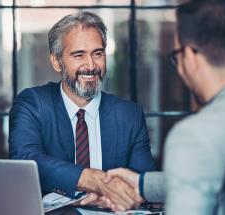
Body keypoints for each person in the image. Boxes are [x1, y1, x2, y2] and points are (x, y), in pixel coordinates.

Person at [105, 0, 225, 214]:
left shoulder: (195, 137)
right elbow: (218, 177)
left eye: (177, 56)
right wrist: (142, 184)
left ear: (190, 57)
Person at [9, 11, 156, 211]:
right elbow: (25, 159)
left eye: (98, 53)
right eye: (79, 55)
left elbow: (144, 183)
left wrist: (116, 197)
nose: (91, 65)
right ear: (56, 61)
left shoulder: (129, 115)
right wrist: (94, 179)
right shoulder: (33, 103)